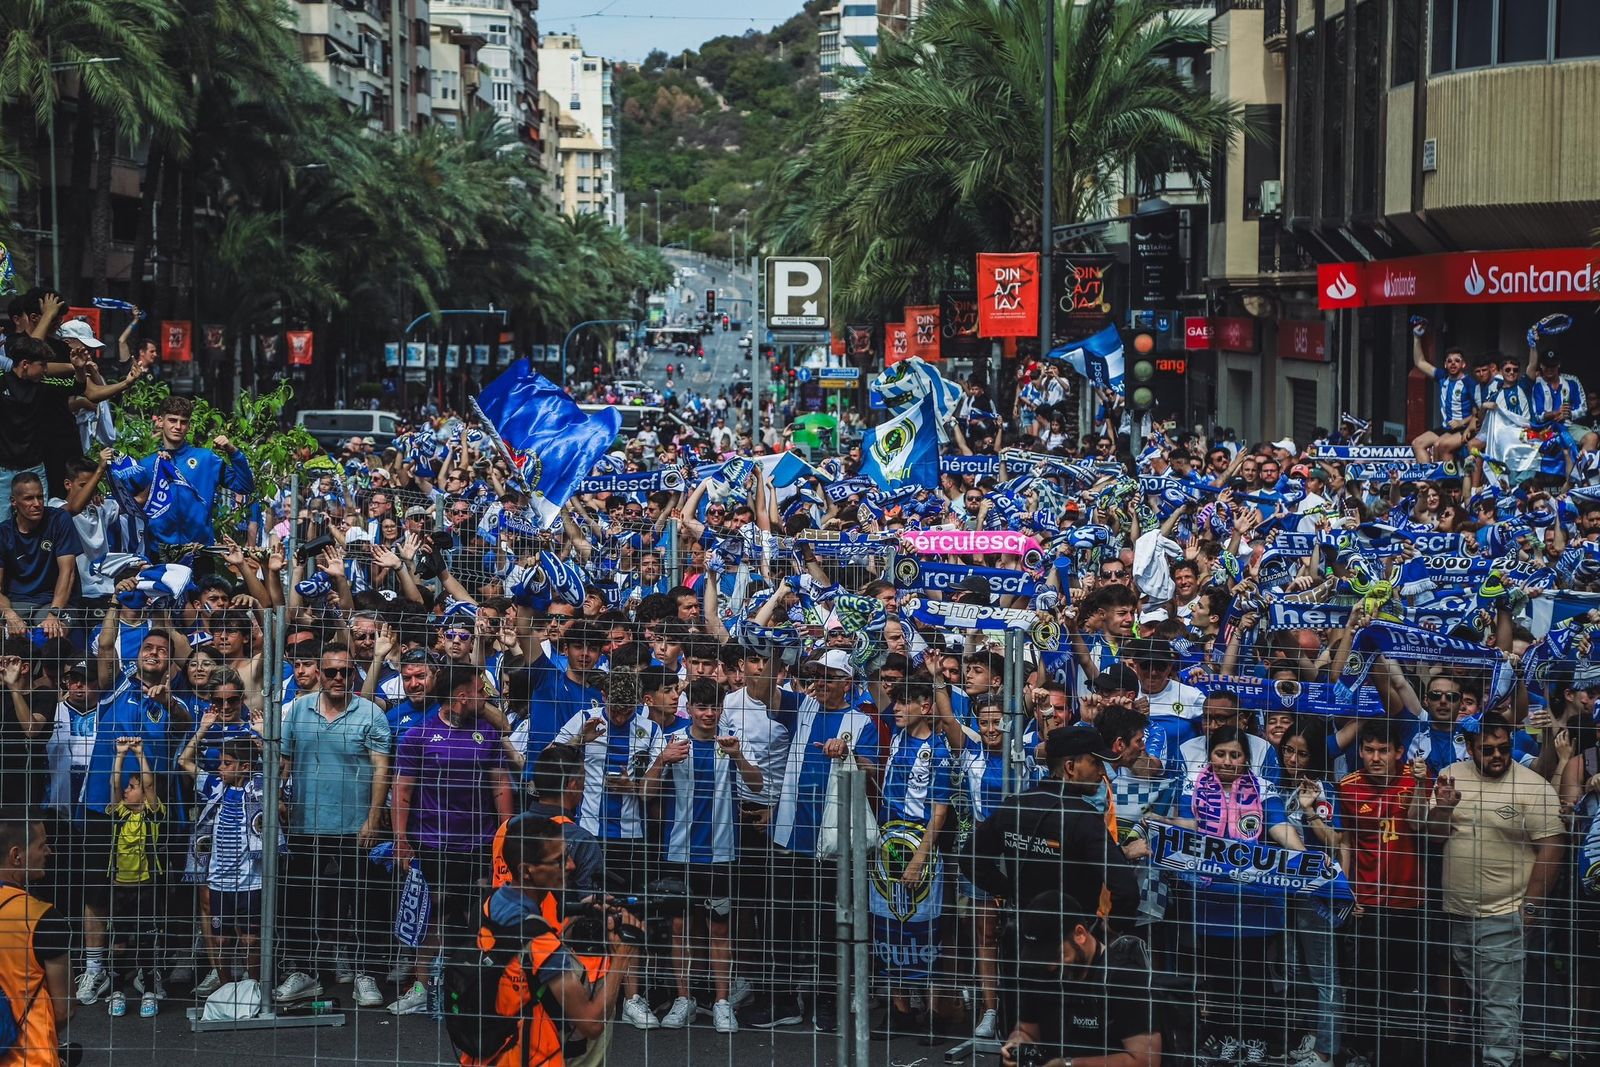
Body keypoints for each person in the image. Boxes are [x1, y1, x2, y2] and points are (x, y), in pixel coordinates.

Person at [1427, 712, 1564, 1067]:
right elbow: (1435, 837)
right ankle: (1508, 1051)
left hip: (1505, 912)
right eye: (1487, 750)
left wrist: (1530, 909)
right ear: (1471, 748)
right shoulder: (1451, 777)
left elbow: (1552, 849)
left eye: (1503, 748)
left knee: (1499, 1006)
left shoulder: (1532, 786)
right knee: (1489, 1000)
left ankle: (1500, 1061)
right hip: (1458, 912)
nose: (1498, 756)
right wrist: (1443, 808)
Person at [467, 816, 643, 1067]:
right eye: (558, 860)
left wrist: (577, 913)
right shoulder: (539, 941)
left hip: (491, 1053)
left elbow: (524, 959)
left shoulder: (490, 906)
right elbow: (591, 1024)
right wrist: (622, 957)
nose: (571, 865)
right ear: (526, 871)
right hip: (533, 1057)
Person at [389, 663, 514, 1016]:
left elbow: (501, 784)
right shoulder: (419, 735)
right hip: (434, 842)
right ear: (462, 696)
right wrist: (401, 839)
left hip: (480, 842)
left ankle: (478, 990)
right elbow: (402, 791)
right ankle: (421, 986)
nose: (485, 697)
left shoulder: (487, 733)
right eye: (480, 691)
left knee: (482, 914)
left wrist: (504, 836)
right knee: (435, 914)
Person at [275, 643, 391, 1007]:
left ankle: (367, 973)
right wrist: (278, 795)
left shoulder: (370, 713)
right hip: (305, 823)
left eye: (345, 671)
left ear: (354, 673)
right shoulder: (297, 712)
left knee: (366, 901)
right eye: (331, 672)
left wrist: (373, 817)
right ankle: (304, 973)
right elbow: (284, 758)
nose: (338, 678)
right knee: (299, 901)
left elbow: (381, 768)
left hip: (354, 824)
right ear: (320, 674)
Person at [653, 676, 763, 1033]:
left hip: (721, 853)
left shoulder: (729, 741)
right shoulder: (672, 740)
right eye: (702, 707)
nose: (709, 714)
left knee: (718, 929)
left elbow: (758, 784)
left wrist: (738, 756)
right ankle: (684, 999)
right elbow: (645, 792)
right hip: (678, 851)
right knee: (680, 928)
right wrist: (661, 761)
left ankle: (721, 1002)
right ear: (690, 709)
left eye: (715, 707)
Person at [999, 891, 1161, 1067]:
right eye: (1042, 957)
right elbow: (1026, 1030)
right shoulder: (1040, 972)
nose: (1051, 966)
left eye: (1056, 955)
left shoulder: (1124, 978)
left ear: (1080, 934)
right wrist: (1017, 1044)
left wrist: (1070, 1064)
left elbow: (1146, 1060)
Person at [178, 733, 275, 999]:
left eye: (227, 763)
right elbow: (184, 760)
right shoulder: (214, 787)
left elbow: (278, 769)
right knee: (221, 939)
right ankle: (225, 988)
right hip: (219, 878)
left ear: (244, 766)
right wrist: (203, 730)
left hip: (250, 880)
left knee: (250, 939)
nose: (220, 768)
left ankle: (254, 990)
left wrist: (264, 739)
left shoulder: (259, 787)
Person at [112, 394, 255, 546]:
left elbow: (245, 486)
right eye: (172, 420)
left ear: (189, 426)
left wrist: (232, 451)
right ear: (161, 422)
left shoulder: (206, 459)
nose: (178, 427)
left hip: (199, 551)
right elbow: (124, 505)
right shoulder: (147, 464)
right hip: (159, 553)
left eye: (183, 422)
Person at [0, 810, 72, 1066]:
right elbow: (64, 1010)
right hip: (30, 1057)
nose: (48, 851)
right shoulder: (43, 917)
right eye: (41, 845)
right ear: (16, 856)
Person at [102, 736, 165, 1019]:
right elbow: (113, 785)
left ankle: (149, 990)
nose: (128, 791)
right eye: (129, 786)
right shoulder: (119, 813)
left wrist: (139, 754)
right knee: (119, 942)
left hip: (147, 886)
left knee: (146, 940)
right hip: (119, 886)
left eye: (133, 787)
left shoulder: (152, 814)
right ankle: (117, 991)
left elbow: (149, 785)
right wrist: (120, 755)